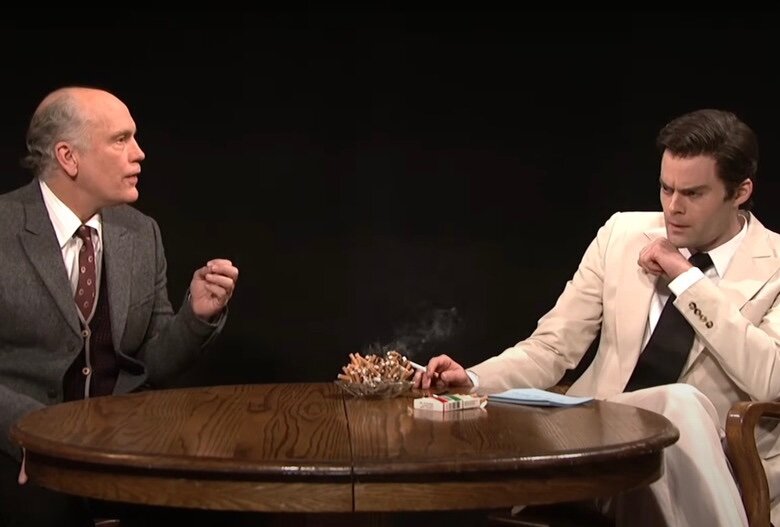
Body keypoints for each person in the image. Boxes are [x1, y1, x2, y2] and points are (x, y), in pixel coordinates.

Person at [415, 108, 780, 527]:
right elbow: (553, 347)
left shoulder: (774, 264)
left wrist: (686, 279)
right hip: (602, 447)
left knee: (679, 404)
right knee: (664, 418)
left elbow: (770, 377)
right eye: (666, 189)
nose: (673, 208)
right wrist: (474, 378)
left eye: (693, 194)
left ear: (740, 191)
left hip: (720, 468)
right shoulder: (621, 235)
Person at [0, 86, 239, 526]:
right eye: (120, 139)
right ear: (69, 157)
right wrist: (33, 433)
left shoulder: (141, 233)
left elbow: (153, 365)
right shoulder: (5, 228)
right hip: (18, 454)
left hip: (122, 454)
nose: (139, 153)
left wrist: (196, 316)